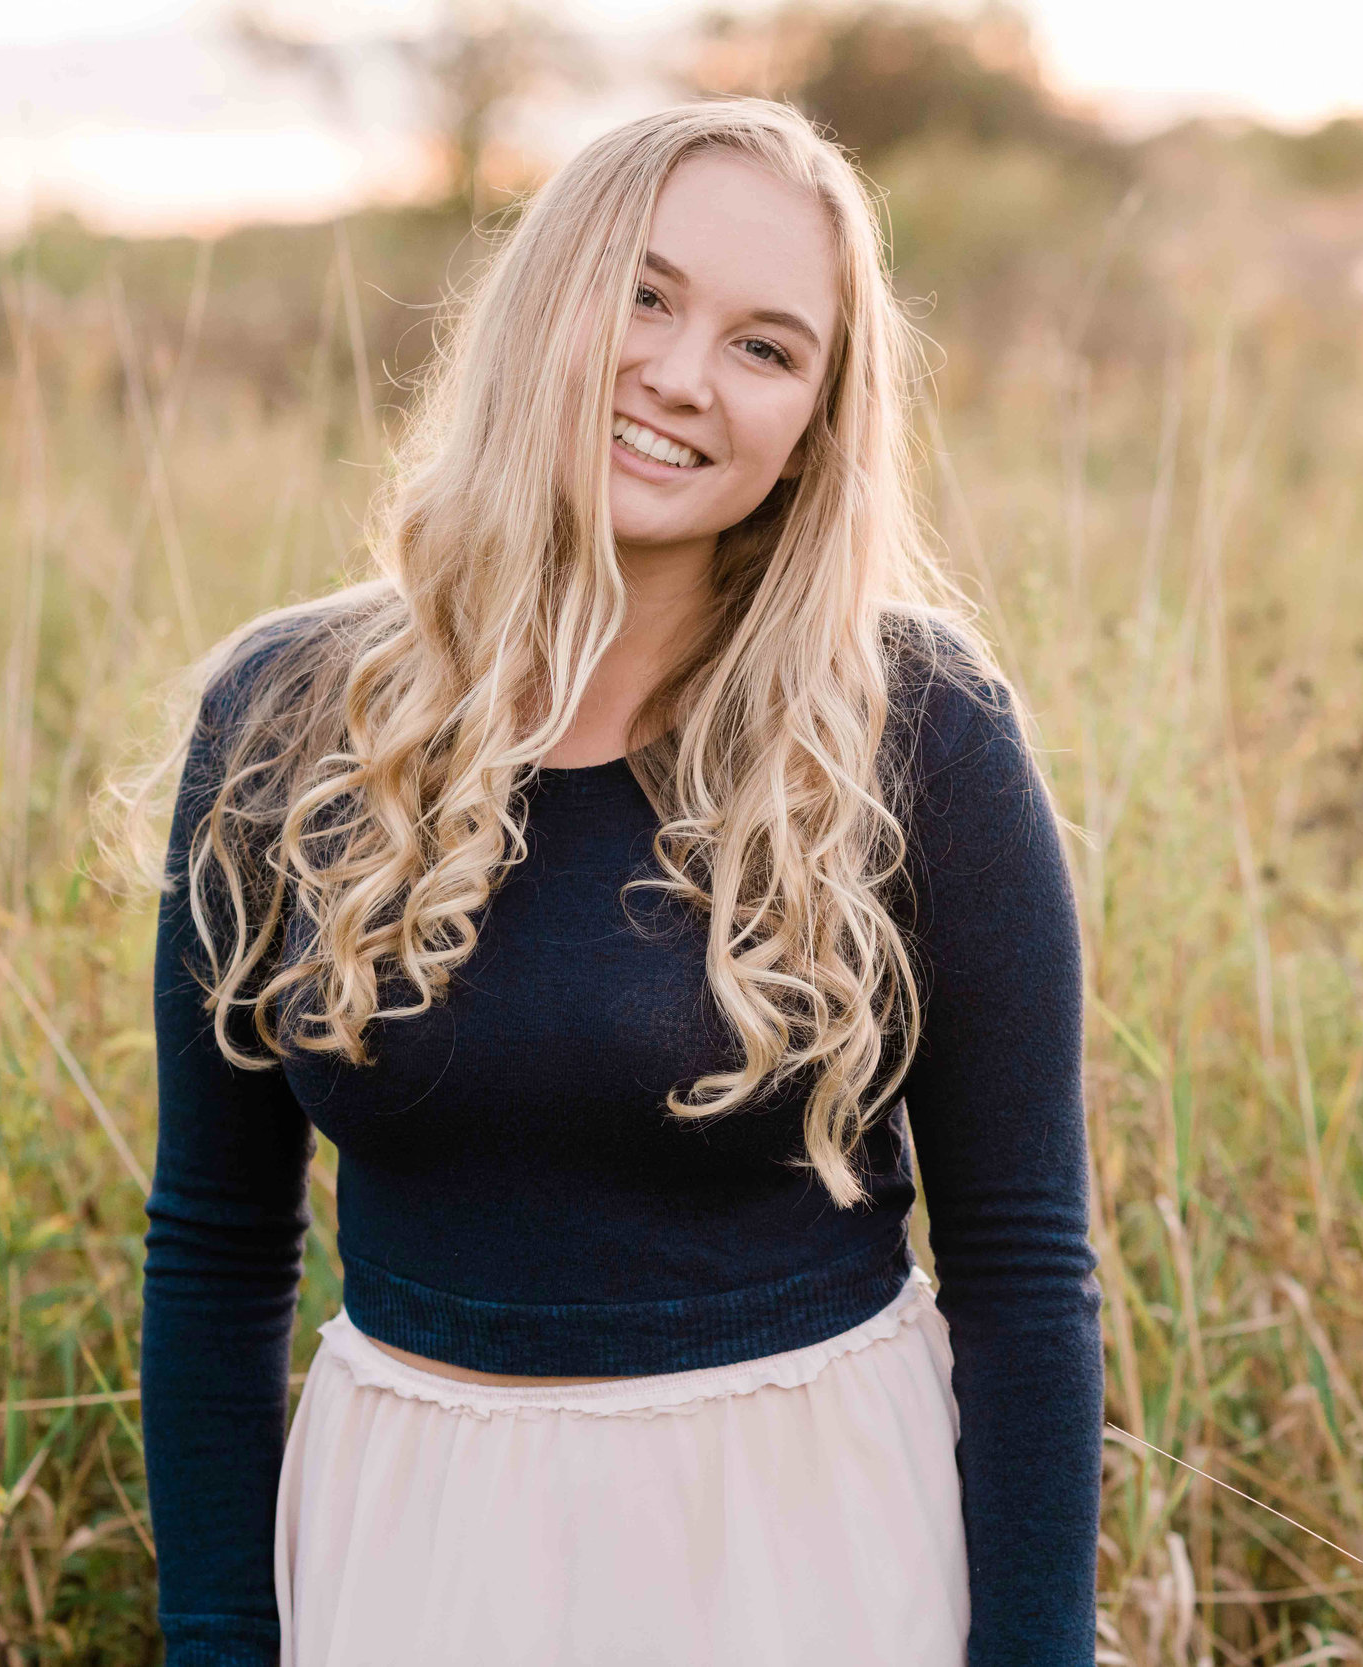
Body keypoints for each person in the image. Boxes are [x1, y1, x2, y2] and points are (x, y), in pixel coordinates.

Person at [131, 97, 1102, 1667]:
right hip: (408, 1541)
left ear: (815, 428)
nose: (678, 376)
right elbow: (216, 1243)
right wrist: (219, 1639)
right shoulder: (286, 719)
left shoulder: (915, 729)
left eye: (767, 347)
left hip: (799, 1540)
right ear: (545, 301)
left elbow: (1025, 1266)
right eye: (644, 295)